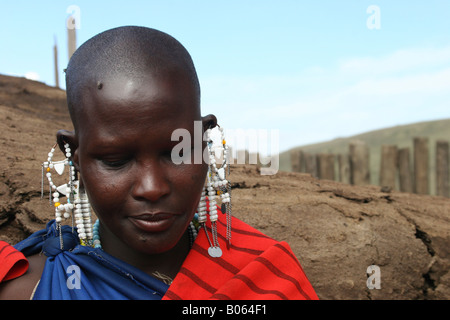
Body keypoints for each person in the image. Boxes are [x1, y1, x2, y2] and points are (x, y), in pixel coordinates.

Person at [0, 26, 318, 300]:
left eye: (178, 152)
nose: (152, 188)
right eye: (115, 160)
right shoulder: (30, 288)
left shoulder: (266, 279)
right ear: (75, 156)